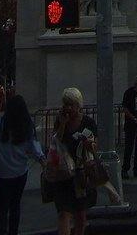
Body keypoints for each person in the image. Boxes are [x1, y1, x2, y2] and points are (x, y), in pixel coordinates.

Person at [0, 94, 46, 235]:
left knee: (1, 206)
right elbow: (34, 147)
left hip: (1, 172)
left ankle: (2, 231)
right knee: (15, 205)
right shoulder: (27, 125)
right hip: (20, 172)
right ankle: (13, 232)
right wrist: (43, 161)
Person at [49, 87, 98, 235]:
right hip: (62, 172)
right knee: (63, 212)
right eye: (66, 104)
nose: (68, 108)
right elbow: (55, 142)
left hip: (80, 172)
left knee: (80, 214)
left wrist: (90, 144)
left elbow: (95, 146)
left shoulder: (88, 122)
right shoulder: (60, 121)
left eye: (72, 104)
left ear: (79, 105)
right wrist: (63, 123)